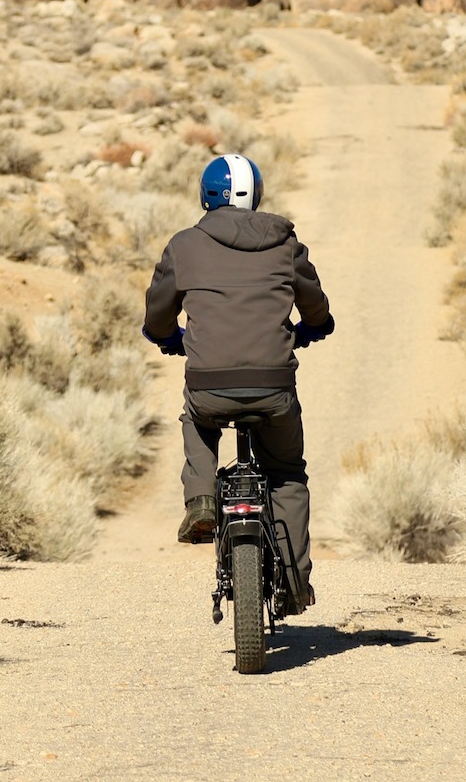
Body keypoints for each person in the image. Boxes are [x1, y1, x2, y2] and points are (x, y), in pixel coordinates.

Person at [142, 153, 334, 615]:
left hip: (210, 383)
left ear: (206, 195)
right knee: (287, 474)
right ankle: (293, 583)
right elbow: (316, 308)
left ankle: (202, 499)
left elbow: (157, 316)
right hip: (273, 387)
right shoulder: (286, 243)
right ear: (259, 195)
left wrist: (170, 339)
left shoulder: (184, 245)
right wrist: (313, 327)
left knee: (197, 417)